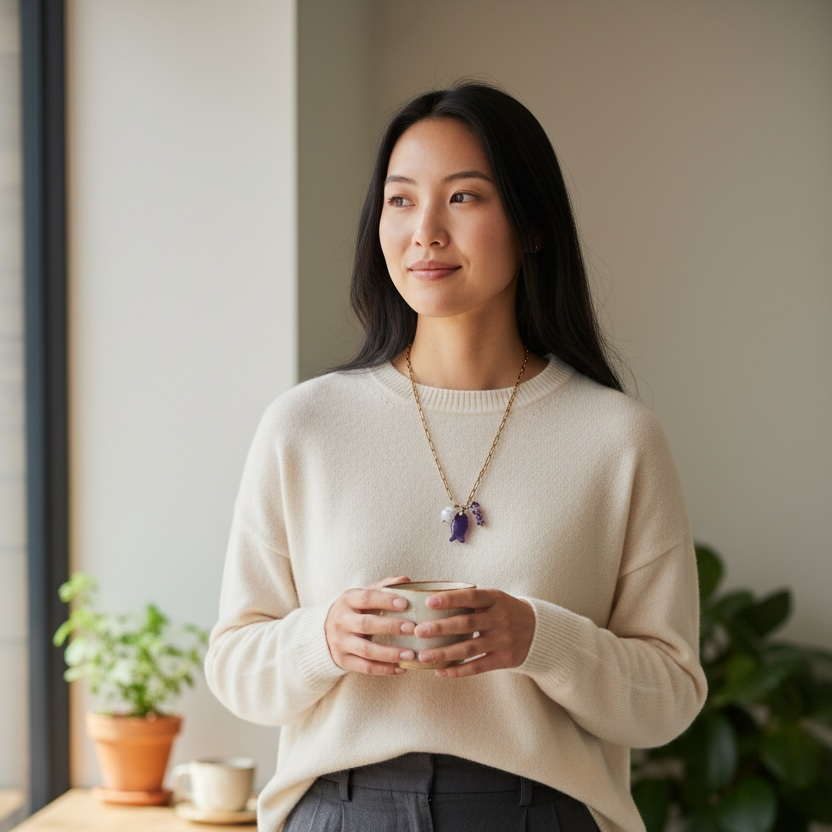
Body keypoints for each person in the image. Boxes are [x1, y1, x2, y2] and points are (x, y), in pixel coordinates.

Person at [205, 81, 707, 832]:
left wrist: (541, 639)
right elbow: (234, 668)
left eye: (464, 198)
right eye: (401, 200)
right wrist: (323, 639)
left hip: (540, 813)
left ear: (533, 225)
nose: (425, 232)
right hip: (341, 812)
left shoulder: (618, 438)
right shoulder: (303, 426)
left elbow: (669, 694)